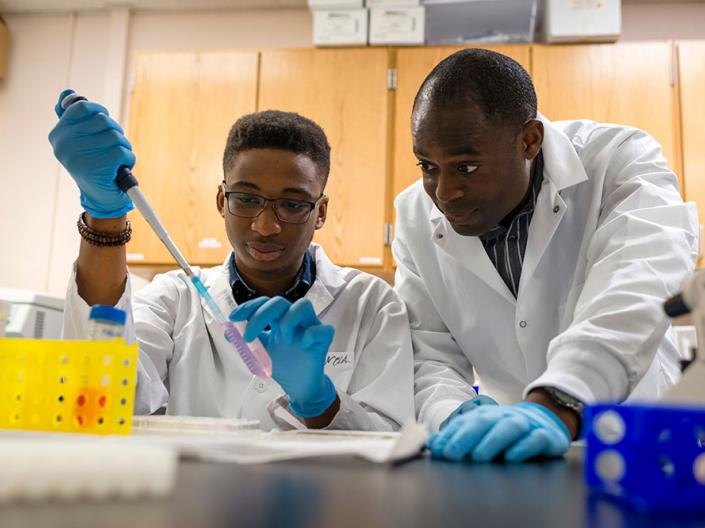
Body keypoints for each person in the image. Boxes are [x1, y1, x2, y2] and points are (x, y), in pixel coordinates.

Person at [393, 49, 698, 462]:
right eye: (428, 166)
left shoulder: (618, 161)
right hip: (508, 452)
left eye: (466, 167)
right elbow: (429, 351)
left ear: (529, 141)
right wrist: (454, 414)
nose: (444, 193)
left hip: (634, 443)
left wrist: (559, 401)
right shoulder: (413, 215)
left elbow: (637, 282)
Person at [50, 90, 414, 431]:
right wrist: (105, 216)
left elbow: (396, 443)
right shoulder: (174, 300)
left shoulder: (372, 305)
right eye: (246, 199)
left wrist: (321, 400)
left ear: (320, 212)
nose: (265, 226)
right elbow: (102, 397)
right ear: (222, 201)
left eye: (292, 204)